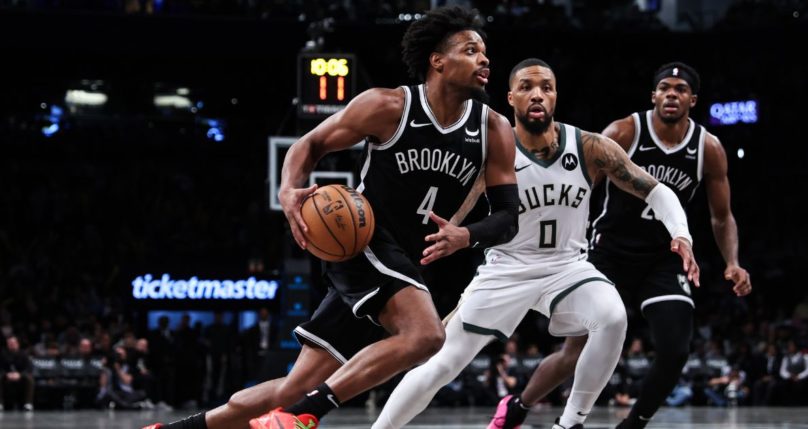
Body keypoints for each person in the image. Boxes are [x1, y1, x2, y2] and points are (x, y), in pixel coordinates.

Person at [144, 6, 518, 429]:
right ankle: (307, 414)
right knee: (427, 336)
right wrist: (288, 190)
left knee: (291, 386)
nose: (485, 60)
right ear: (438, 60)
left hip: (404, 266)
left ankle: (176, 428)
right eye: (471, 51)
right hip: (361, 242)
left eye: (485, 52)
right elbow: (310, 144)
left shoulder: (493, 129)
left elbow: (508, 217)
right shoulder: (388, 105)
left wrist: (466, 236)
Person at [372, 58, 698, 429]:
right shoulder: (493, 150)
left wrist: (681, 235)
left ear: (556, 95)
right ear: (511, 97)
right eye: (526, 87)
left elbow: (655, 190)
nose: (537, 94)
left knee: (611, 316)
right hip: (507, 268)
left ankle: (570, 423)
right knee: (443, 363)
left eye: (546, 86)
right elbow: (454, 215)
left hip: (567, 266)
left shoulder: (590, 146)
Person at [489, 61, 753, 429]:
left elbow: (721, 217)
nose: (671, 94)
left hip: (664, 257)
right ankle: (519, 406)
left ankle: (634, 423)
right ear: (653, 95)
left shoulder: (708, 148)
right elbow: (579, 179)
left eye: (679, 89)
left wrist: (732, 262)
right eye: (664, 88)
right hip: (609, 249)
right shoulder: (626, 130)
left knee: (676, 350)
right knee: (574, 350)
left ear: (692, 99)